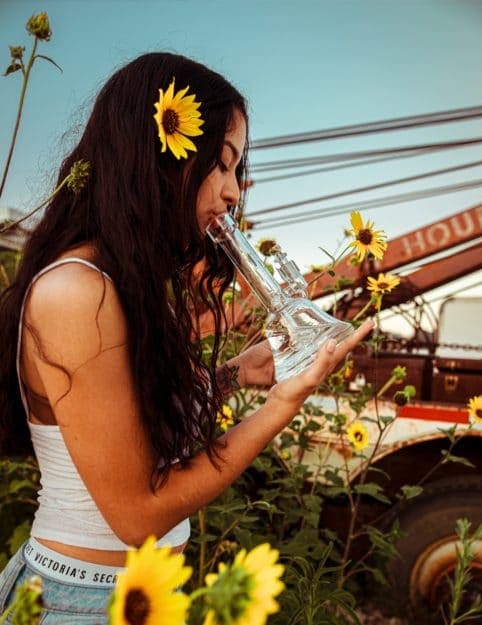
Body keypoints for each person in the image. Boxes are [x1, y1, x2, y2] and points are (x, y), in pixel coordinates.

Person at [0, 52, 373, 623]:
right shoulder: (79, 292)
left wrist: (237, 374)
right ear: (162, 154)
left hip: (132, 597)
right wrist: (279, 406)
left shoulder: (123, 281)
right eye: (221, 166)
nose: (232, 193)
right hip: (81, 602)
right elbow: (138, 514)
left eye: (236, 170)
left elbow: (133, 423)